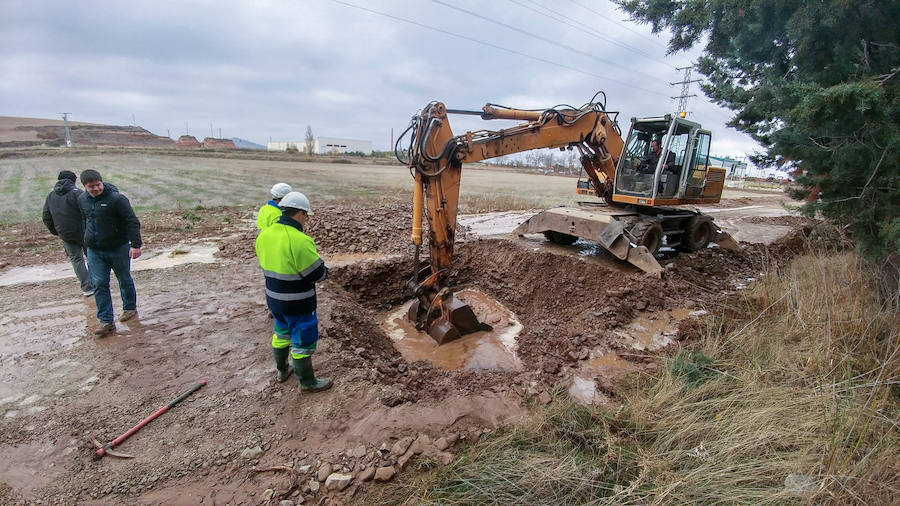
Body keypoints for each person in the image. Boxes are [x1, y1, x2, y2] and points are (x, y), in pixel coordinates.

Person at [255, 191, 332, 392]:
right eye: (306, 216)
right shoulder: (299, 240)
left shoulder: (264, 235)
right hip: (298, 303)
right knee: (303, 340)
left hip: (274, 300)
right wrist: (325, 272)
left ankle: (282, 370)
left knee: (281, 334)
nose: (306, 220)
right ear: (300, 213)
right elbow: (316, 273)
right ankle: (307, 382)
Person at [77, 169, 142, 337]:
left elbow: (132, 221)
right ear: (84, 186)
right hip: (95, 251)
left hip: (118, 247)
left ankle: (129, 308)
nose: (96, 189)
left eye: (98, 185)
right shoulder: (82, 200)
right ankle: (106, 321)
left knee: (124, 278)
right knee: (99, 284)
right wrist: (86, 240)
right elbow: (86, 221)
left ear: (102, 182)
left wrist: (135, 245)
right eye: (91, 187)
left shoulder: (117, 199)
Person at [42, 170, 94, 296]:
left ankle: (87, 288)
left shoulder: (50, 196)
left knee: (76, 260)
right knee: (92, 257)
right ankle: (97, 284)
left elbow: (46, 217)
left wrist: (56, 232)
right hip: (84, 232)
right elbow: (90, 211)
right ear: (73, 180)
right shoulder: (78, 193)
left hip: (65, 234)